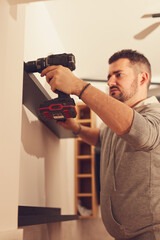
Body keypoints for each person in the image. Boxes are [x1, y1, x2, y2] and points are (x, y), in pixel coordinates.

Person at [41, 49, 160, 240]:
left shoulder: (155, 113)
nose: (110, 82)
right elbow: (101, 139)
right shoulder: (115, 121)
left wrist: (80, 87)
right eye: (109, 76)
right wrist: (77, 128)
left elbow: (144, 134)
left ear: (142, 78)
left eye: (118, 75)